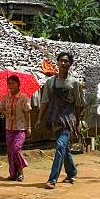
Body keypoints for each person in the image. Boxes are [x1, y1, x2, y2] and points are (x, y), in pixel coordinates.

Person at [35, 51, 84, 189]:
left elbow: (79, 104)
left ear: (70, 64)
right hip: (55, 118)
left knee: (60, 146)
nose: (63, 63)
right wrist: (39, 119)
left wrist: (78, 122)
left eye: (66, 61)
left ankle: (52, 179)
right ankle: (72, 172)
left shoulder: (74, 83)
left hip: (69, 119)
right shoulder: (50, 82)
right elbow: (44, 102)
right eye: (61, 60)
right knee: (63, 148)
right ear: (57, 63)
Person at [0, 75, 32, 181]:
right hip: (9, 127)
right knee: (10, 151)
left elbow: (27, 113)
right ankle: (13, 174)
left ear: (18, 84)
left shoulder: (23, 97)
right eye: (9, 84)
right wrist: (5, 112)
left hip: (20, 128)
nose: (11, 86)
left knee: (16, 148)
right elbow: (1, 109)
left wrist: (29, 127)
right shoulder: (5, 97)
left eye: (13, 83)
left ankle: (21, 169)